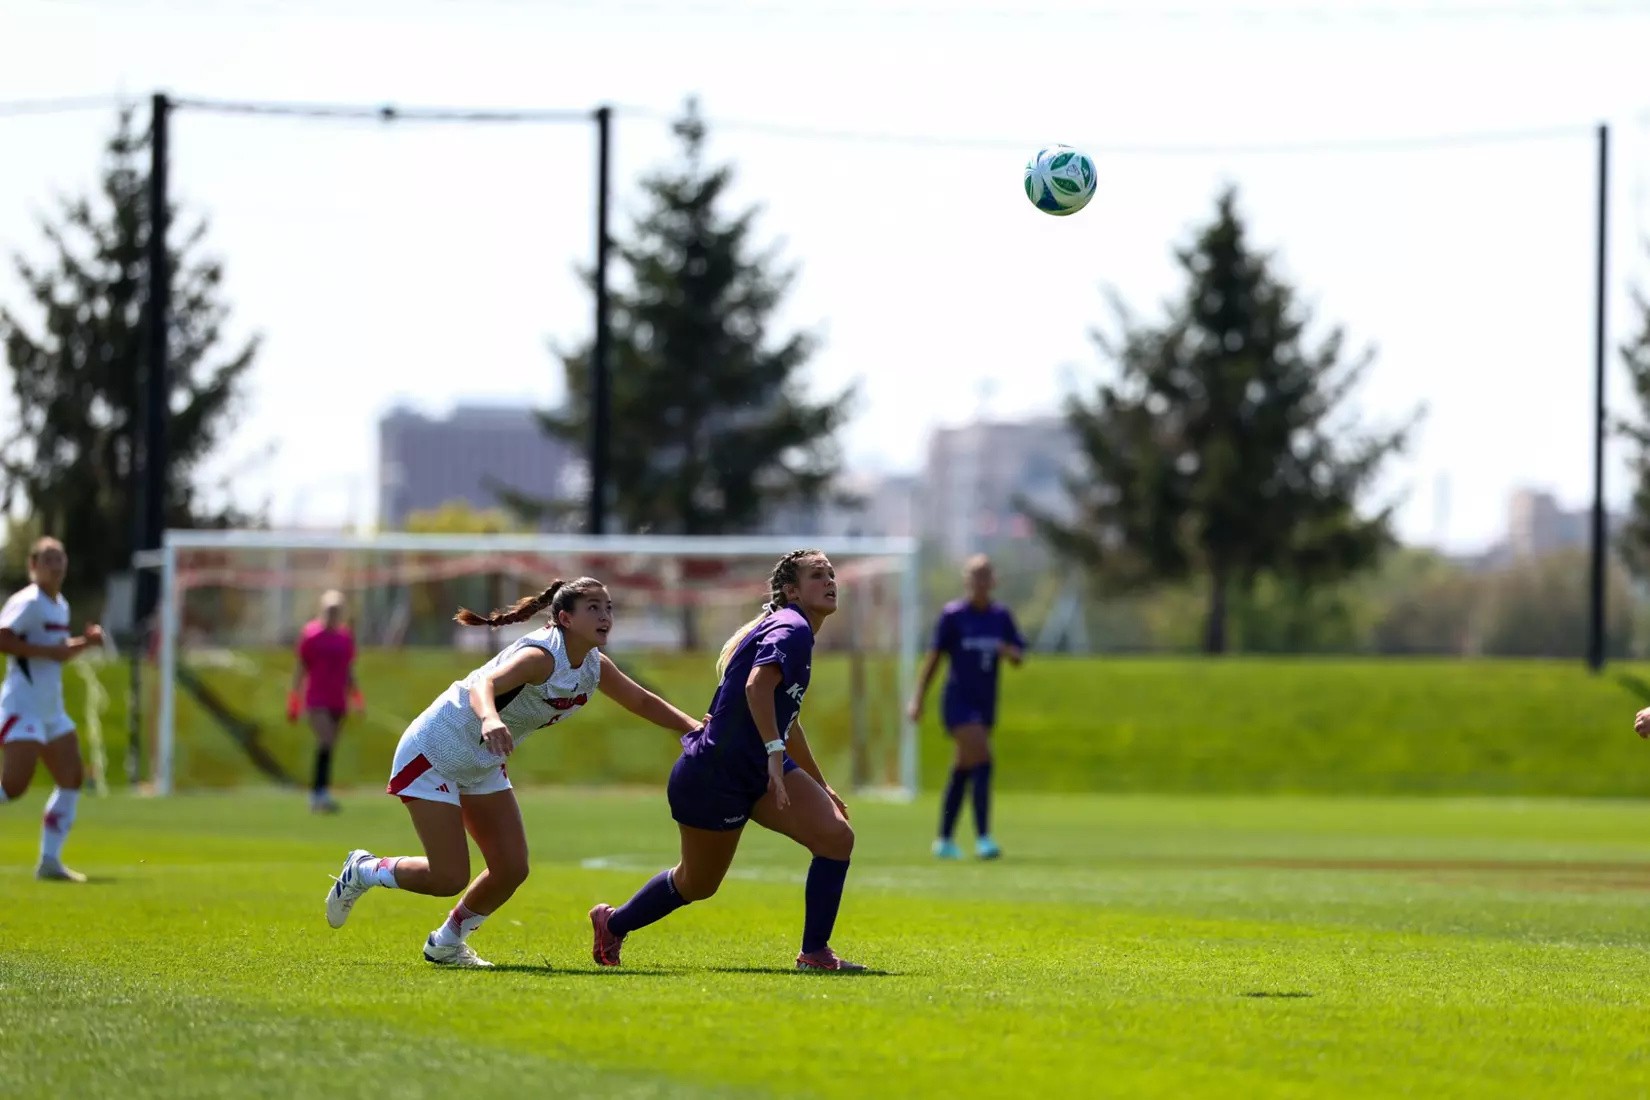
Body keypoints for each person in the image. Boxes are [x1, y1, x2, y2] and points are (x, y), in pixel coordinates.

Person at [321, 576, 707, 968]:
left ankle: (446, 943)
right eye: (593, 608)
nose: (605, 616)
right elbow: (482, 684)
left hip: (482, 760)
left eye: (608, 607)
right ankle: (364, 870)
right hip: (435, 751)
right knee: (447, 878)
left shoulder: (593, 665)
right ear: (565, 619)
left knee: (510, 869)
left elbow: (641, 700)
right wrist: (490, 719)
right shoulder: (541, 656)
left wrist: (695, 728)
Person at [589, 548, 865, 972]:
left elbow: (786, 719)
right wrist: (773, 753)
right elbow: (757, 687)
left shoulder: (794, 629)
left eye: (830, 574)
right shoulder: (792, 627)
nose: (829, 581)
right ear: (791, 591)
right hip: (715, 776)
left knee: (835, 837)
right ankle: (613, 923)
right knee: (697, 884)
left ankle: (814, 954)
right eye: (816, 575)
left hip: (758, 769)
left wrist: (821, 783)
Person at [908, 553, 1025, 861]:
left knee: (963, 768)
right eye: (975, 576)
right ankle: (984, 838)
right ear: (966, 580)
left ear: (993, 581)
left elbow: (1018, 655)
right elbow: (934, 658)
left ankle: (944, 840)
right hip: (958, 702)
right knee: (983, 757)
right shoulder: (953, 615)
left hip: (985, 703)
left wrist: (1008, 651)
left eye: (985, 576)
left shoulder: (1001, 616)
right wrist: (918, 698)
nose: (980, 582)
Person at [0, 537, 104, 882]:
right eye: (48, 559)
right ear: (33, 566)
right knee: (13, 787)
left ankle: (49, 861)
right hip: (23, 705)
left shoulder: (60, 605)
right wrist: (49, 652)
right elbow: (3, 638)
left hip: (50, 709)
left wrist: (85, 643)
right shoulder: (28, 601)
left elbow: (56, 650)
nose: (56, 565)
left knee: (71, 778)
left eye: (60, 558)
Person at [288, 589, 362, 814]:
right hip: (317, 697)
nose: (333, 614)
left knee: (329, 746)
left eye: (337, 610)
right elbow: (301, 668)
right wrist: (294, 700)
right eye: (330, 610)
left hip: (337, 698)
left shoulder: (345, 637)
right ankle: (318, 793)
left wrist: (357, 697)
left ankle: (321, 791)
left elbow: (349, 669)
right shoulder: (311, 635)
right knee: (326, 739)